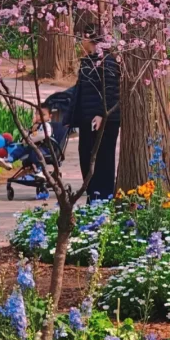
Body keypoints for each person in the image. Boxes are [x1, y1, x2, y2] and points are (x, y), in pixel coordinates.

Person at [70, 16, 121, 202]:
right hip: (88, 119)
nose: (81, 42)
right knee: (86, 156)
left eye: (83, 38)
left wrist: (101, 114)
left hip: (103, 120)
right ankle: (93, 196)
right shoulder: (88, 61)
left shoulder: (107, 61)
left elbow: (111, 89)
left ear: (90, 38)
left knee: (103, 160)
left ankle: (103, 197)